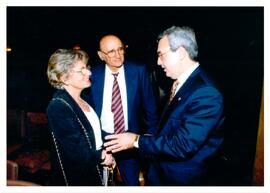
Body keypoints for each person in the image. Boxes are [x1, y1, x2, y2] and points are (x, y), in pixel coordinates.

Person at [104, 26, 225, 185]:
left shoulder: (206, 92)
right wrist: (152, 138)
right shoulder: (183, 82)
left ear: (181, 53)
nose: (158, 62)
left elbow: (183, 145)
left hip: (181, 178)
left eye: (161, 55)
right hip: (163, 172)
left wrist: (136, 140)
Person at [88, 34, 158, 185]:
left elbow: (150, 106)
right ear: (101, 55)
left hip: (129, 140)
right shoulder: (92, 75)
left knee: (131, 182)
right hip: (102, 141)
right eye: (111, 51)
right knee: (101, 183)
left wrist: (150, 137)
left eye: (120, 49)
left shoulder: (138, 71)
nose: (118, 55)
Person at [46, 49, 115, 186]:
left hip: (94, 168)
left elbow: (94, 133)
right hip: (77, 177)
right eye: (81, 70)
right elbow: (77, 153)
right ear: (63, 78)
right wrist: (102, 156)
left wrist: (115, 143)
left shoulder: (84, 98)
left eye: (86, 67)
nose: (88, 72)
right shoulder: (58, 107)